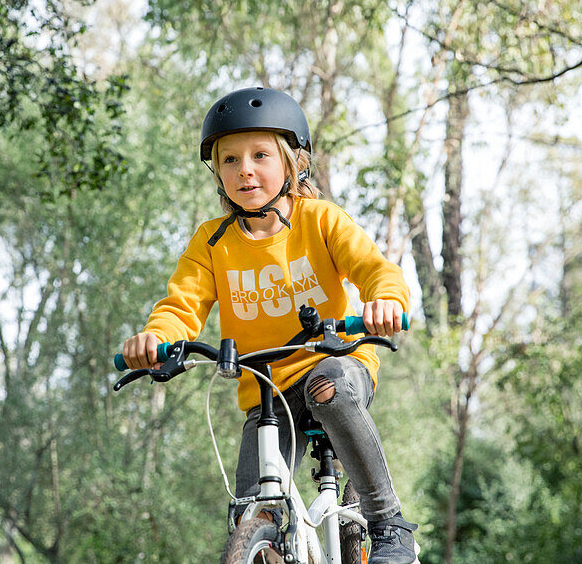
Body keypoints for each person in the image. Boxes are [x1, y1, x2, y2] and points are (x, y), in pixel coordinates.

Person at [120, 86, 419, 564]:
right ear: (216, 172)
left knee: (327, 387)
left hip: (336, 362)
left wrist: (385, 301)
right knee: (249, 512)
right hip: (267, 387)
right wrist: (158, 339)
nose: (245, 169)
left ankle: (388, 523)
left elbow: (376, 269)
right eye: (230, 159)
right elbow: (181, 305)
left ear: (292, 164)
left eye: (260, 155)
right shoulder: (213, 242)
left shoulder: (320, 220)